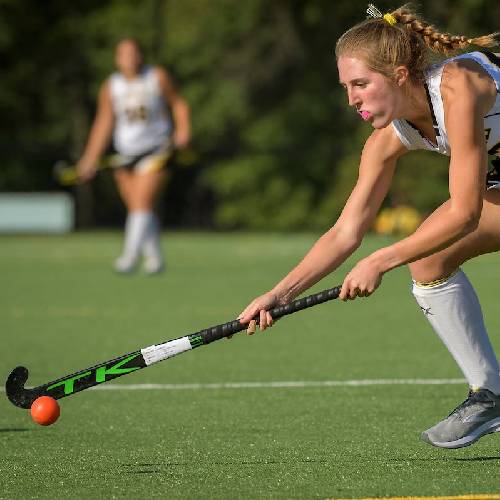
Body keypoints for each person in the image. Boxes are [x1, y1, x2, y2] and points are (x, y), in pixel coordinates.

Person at [238, 4, 500, 449]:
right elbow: (345, 233)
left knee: (422, 250)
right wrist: (280, 294)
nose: (351, 100)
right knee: (430, 261)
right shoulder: (387, 139)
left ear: (399, 75)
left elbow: (465, 211)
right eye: (346, 87)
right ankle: (490, 395)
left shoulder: (458, 88)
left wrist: (381, 260)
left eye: (361, 84)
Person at [77, 37, 191, 274]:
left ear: (141, 55)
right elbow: (104, 122)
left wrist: (183, 131)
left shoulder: (156, 76)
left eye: (134, 52)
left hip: (156, 150)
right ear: (117, 59)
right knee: (138, 208)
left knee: (141, 203)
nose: (130, 58)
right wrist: (90, 157)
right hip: (125, 153)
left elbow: (179, 104)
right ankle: (155, 258)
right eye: (124, 54)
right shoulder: (111, 86)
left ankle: (129, 257)